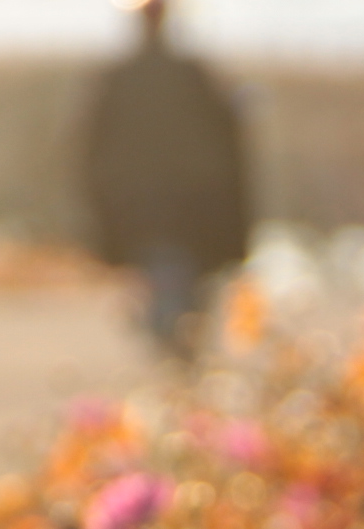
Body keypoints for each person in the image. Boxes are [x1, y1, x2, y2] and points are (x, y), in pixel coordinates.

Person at [78, 0, 251, 357]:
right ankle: (174, 334)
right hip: (183, 200)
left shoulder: (120, 78)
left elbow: (90, 144)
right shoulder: (191, 75)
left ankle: (171, 333)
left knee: (170, 273)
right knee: (178, 275)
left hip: (156, 201)